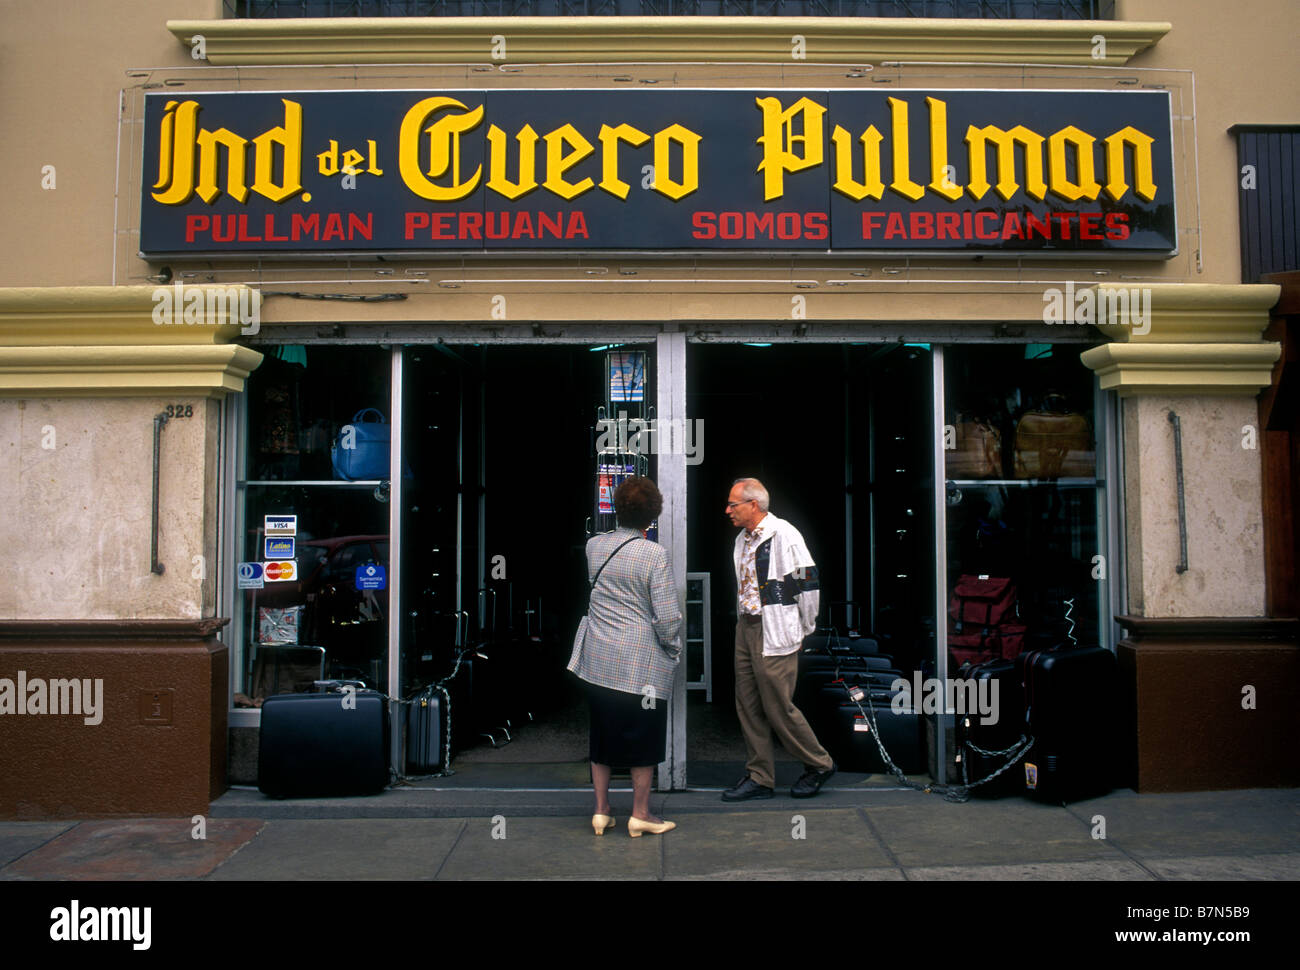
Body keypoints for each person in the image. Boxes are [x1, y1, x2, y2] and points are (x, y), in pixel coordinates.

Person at [568, 476, 683, 837]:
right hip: (641, 668)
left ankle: (601, 811)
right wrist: (673, 649)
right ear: (652, 515)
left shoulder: (594, 547)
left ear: (617, 509)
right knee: (643, 738)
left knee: (601, 735)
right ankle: (641, 814)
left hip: (600, 661)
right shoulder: (654, 555)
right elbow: (666, 617)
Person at [722, 477, 836, 800]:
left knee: (777, 708)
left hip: (775, 629)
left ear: (753, 505)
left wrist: (804, 627)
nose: (727, 510)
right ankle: (760, 777)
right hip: (747, 627)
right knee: (747, 704)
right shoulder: (742, 540)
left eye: (733, 504)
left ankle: (820, 763)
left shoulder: (784, 535)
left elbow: (808, 583)